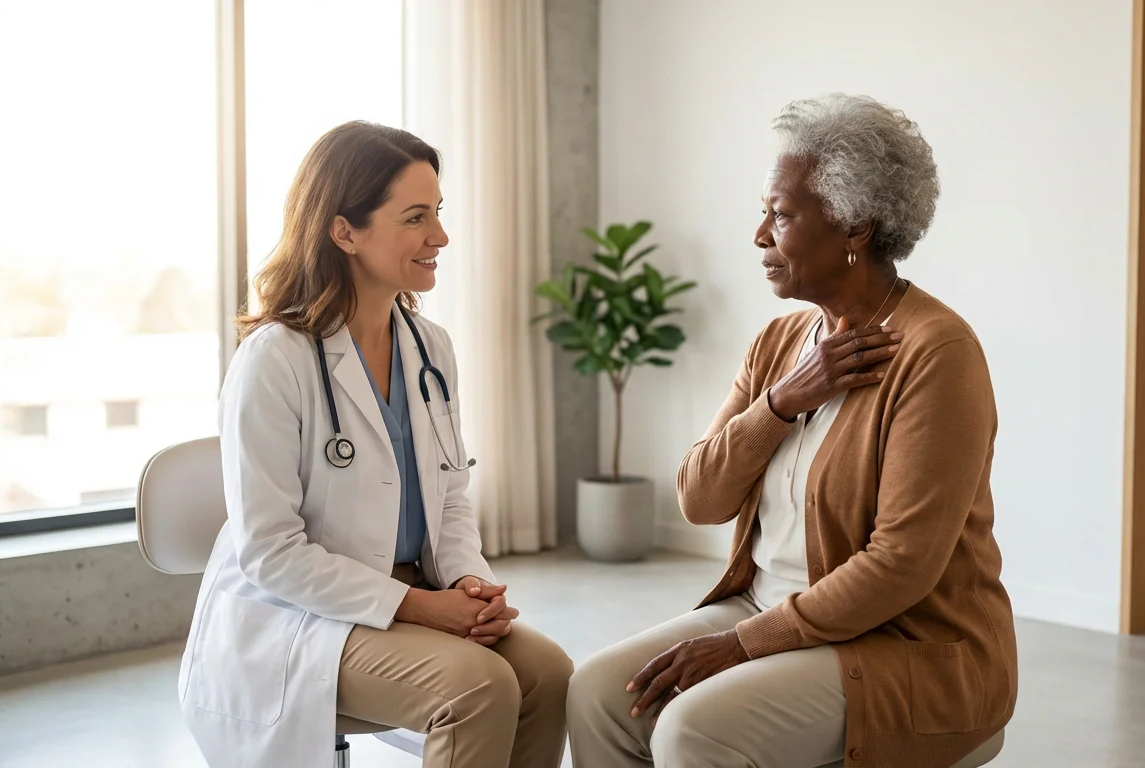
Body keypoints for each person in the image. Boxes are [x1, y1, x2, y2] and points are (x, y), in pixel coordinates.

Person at [567, 94, 1017, 768]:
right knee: (599, 692)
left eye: (780, 216)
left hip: (903, 645)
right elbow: (700, 499)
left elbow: (901, 566)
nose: (758, 236)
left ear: (854, 227)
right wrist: (781, 401)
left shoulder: (936, 353)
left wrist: (743, 645)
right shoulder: (779, 343)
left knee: (692, 728)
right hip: (763, 606)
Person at [178, 121, 573, 768]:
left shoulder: (430, 347)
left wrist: (471, 588)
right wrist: (423, 607)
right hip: (297, 618)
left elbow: (449, 498)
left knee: (549, 674)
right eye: (415, 218)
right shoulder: (275, 360)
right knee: (477, 688)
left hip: (414, 593)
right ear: (344, 232)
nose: (439, 237)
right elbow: (271, 555)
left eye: (438, 214)